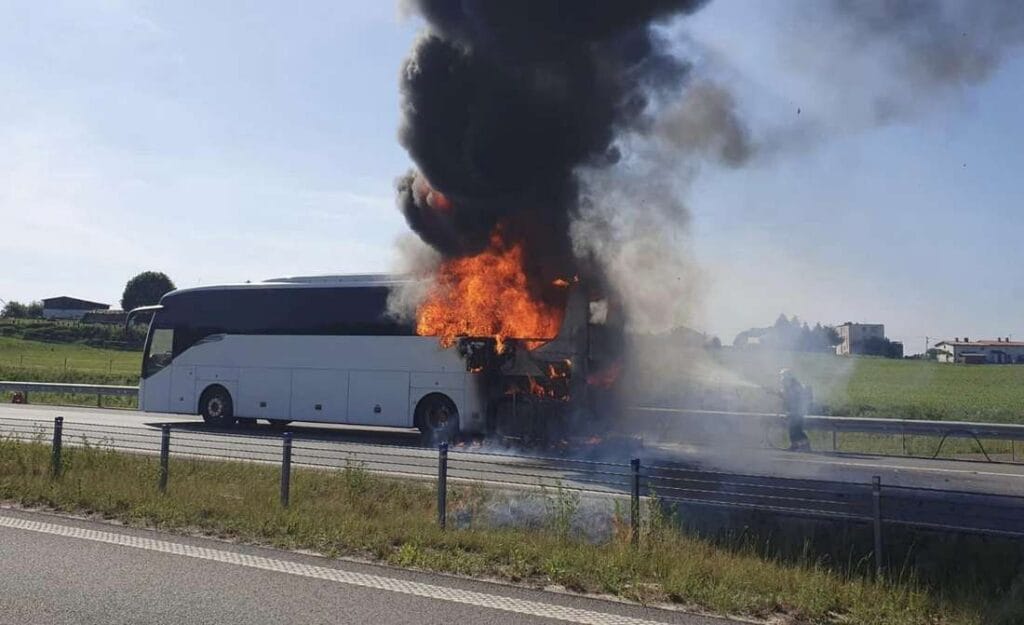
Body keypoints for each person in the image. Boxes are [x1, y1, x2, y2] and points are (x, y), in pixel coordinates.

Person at [779, 369, 811, 451]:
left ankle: (805, 446)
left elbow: (789, 397)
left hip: (797, 412)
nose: (782, 379)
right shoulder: (791, 385)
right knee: (792, 429)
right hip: (794, 411)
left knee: (796, 430)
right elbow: (785, 396)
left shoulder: (794, 386)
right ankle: (795, 445)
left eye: (783, 377)